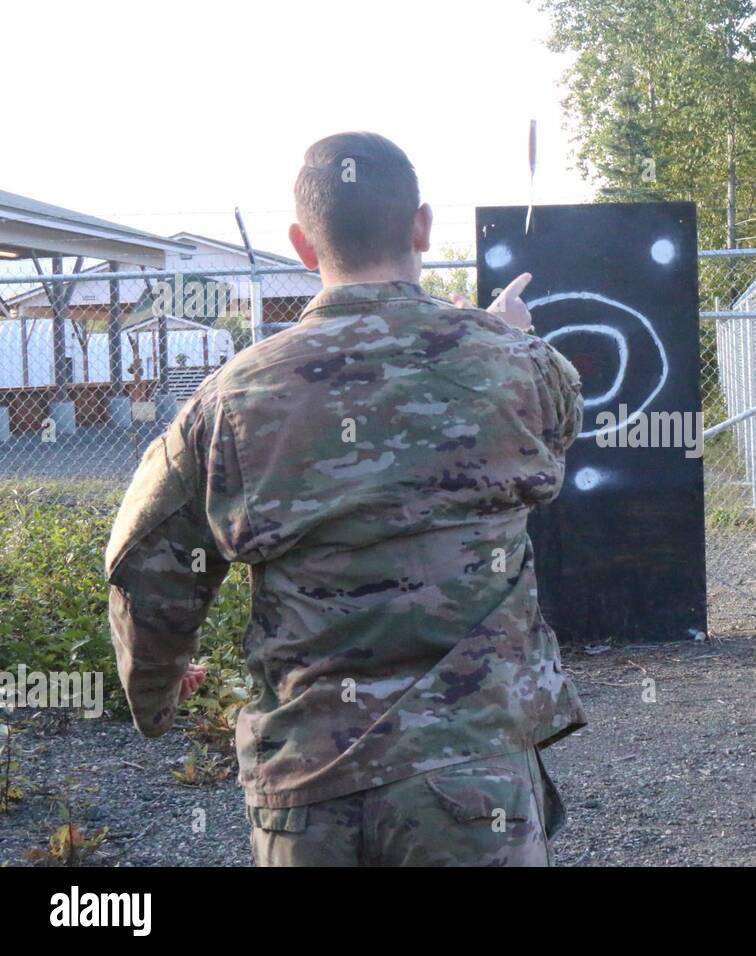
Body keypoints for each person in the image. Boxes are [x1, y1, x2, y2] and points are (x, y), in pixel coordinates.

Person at [105, 131, 587, 864]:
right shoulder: (520, 363)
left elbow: (148, 567)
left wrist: (157, 698)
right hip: (472, 777)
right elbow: (551, 436)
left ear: (302, 244)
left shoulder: (232, 397)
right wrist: (502, 336)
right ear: (421, 226)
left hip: (307, 783)